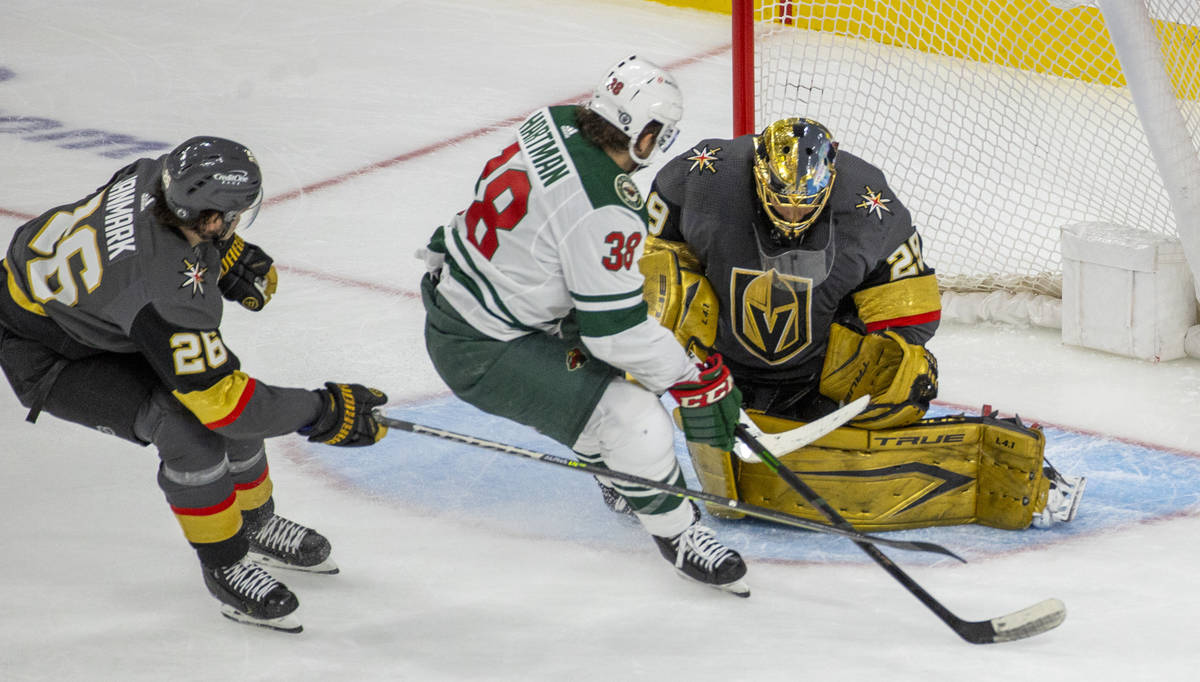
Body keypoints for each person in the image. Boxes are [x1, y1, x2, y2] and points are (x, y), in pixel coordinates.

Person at [0, 136, 389, 633]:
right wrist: (323, 410)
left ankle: (255, 521)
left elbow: (132, 232)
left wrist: (222, 255)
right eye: (230, 218)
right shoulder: (165, 296)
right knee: (193, 426)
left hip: (87, 309)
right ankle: (225, 563)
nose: (232, 225)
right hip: (47, 352)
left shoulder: (154, 173)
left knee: (222, 384)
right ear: (205, 216)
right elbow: (230, 408)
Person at [638, 117, 1085, 531]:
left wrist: (851, 343)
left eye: (805, 204)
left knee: (905, 373)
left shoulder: (871, 205)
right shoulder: (698, 180)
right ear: (758, 175)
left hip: (813, 379)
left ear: (830, 182)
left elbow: (915, 312)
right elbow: (641, 267)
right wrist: (690, 355)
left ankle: (998, 469)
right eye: (782, 202)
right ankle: (624, 452)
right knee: (646, 306)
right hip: (714, 369)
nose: (793, 216)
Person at [419, 55, 750, 596]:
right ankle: (680, 534)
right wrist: (691, 377)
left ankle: (614, 468)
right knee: (636, 418)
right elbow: (614, 332)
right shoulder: (606, 208)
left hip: (470, 290)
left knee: (609, 362)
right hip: (482, 346)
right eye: (659, 134)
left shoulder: (553, 121)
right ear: (641, 136)